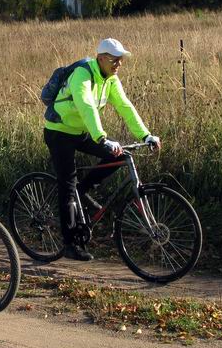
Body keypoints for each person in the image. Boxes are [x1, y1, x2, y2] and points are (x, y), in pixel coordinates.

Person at [43, 38, 161, 261]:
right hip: (59, 132)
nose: (118, 64)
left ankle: (83, 189)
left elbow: (125, 106)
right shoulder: (82, 74)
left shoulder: (111, 80)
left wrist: (145, 135)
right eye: (114, 60)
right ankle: (69, 243)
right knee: (67, 184)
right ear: (100, 58)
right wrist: (102, 137)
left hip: (80, 132)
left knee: (118, 156)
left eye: (121, 60)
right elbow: (85, 104)